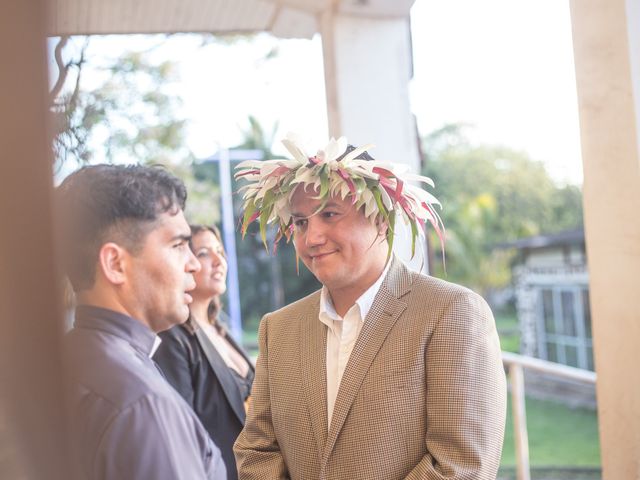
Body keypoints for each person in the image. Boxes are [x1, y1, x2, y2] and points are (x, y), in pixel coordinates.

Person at [232, 135, 507, 479]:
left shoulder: (451, 313)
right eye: (301, 222)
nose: (312, 237)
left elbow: (460, 466)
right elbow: (257, 450)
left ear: (381, 218)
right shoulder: (279, 328)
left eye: (330, 214)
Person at [57, 164, 226, 480]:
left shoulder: (61, 363)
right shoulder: (142, 405)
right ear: (115, 264)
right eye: (178, 245)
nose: (193, 264)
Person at [154, 224, 255, 480]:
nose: (219, 260)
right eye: (203, 253)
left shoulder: (222, 331)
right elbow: (180, 435)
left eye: (220, 251)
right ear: (184, 263)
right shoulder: (173, 339)